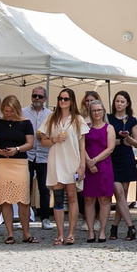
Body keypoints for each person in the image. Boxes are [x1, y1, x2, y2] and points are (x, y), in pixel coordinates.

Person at [0, 95, 34, 242]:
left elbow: (30, 143)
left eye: (11, 111)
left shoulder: (25, 123)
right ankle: (10, 234)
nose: (8, 114)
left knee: (23, 200)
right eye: (6, 111)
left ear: (16, 110)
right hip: (1, 163)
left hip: (19, 163)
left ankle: (26, 233)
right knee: (5, 200)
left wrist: (17, 149)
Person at [42, 93, 86, 245]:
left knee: (72, 197)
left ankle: (71, 233)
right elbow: (43, 141)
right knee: (58, 198)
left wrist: (82, 166)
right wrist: (55, 139)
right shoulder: (51, 118)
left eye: (66, 99)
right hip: (56, 161)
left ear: (72, 101)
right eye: (60, 98)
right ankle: (60, 233)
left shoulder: (78, 120)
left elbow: (82, 146)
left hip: (72, 162)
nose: (62, 101)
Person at [76, 91, 121, 242]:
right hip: (88, 165)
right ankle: (90, 231)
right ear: (90, 111)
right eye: (94, 110)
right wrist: (88, 162)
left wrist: (94, 161)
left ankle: (102, 230)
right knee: (88, 199)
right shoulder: (86, 127)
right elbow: (81, 146)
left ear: (103, 112)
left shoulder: (109, 128)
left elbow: (110, 148)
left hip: (104, 166)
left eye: (99, 110)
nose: (96, 113)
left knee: (104, 199)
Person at [109, 90, 137, 235]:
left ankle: (115, 227)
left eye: (122, 101)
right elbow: (105, 140)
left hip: (126, 159)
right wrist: (120, 141)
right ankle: (131, 227)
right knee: (118, 192)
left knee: (122, 195)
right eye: (117, 101)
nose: (119, 104)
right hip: (112, 159)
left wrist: (127, 138)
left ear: (127, 103)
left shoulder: (132, 120)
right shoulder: (108, 118)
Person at [24, 86, 54, 229]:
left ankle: (45, 218)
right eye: (34, 96)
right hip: (28, 154)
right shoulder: (23, 112)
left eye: (40, 97)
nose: (37, 99)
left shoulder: (50, 115)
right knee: (25, 187)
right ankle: (26, 217)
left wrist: (46, 136)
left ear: (45, 99)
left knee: (44, 188)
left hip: (44, 154)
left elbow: (55, 134)